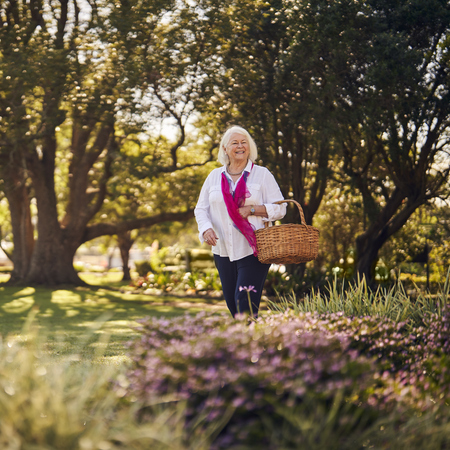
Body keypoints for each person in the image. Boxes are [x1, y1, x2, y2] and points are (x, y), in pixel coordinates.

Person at [194, 125, 286, 317]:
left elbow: (280, 208)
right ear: (225, 149)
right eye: (235, 142)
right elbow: (201, 209)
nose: (240, 146)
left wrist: (253, 209)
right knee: (233, 305)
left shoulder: (262, 174)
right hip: (223, 250)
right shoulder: (214, 177)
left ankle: (251, 345)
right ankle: (252, 344)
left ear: (250, 148)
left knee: (244, 301)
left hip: (253, 250)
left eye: (244, 142)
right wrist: (206, 229)